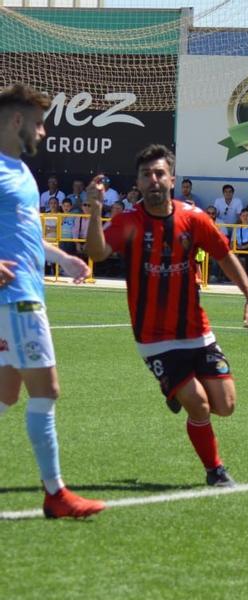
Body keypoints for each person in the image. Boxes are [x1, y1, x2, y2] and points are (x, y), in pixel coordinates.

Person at [84, 143, 248, 488]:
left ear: (172, 179)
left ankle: (173, 391)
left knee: (224, 406)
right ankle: (216, 471)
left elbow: (224, 255)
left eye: (159, 174)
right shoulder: (130, 221)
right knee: (198, 405)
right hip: (155, 338)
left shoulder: (193, 218)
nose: (153, 180)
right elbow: (97, 252)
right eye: (146, 175)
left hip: (197, 331)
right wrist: (94, 209)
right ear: (137, 181)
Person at [0, 83, 106, 518]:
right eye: (40, 123)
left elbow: (26, 234)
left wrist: (63, 258)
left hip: (18, 296)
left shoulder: (21, 171)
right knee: (47, 392)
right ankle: (56, 493)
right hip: (19, 299)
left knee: (6, 394)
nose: (44, 132)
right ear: (18, 121)